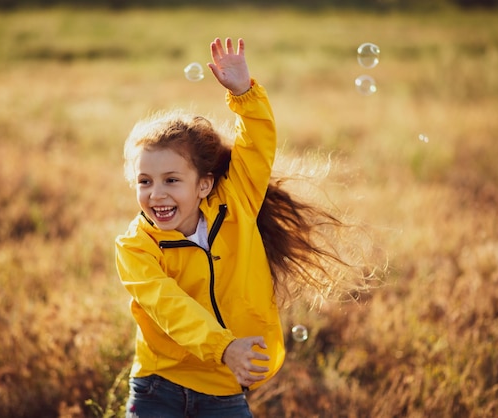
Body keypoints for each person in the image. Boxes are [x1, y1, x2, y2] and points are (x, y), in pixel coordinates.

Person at [115, 37, 372, 418]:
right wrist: (224, 347)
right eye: (145, 182)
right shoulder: (135, 247)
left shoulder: (235, 204)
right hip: (159, 385)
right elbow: (169, 307)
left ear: (203, 184)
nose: (156, 194)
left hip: (223, 388)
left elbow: (256, 148)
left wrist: (245, 95)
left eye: (171, 180)